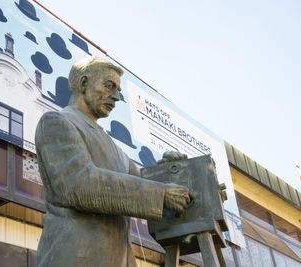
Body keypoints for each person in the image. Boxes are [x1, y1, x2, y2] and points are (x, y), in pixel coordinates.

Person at [35, 56, 192, 267]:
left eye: (118, 90)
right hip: (76, 258)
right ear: (84, 83)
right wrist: (161, 193)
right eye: (109, 86)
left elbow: (143, 182)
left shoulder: (115, 149)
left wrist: (170, 172)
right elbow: (78, 185)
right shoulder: (57, 122)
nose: (116, 97)